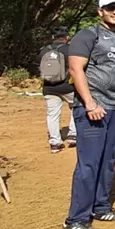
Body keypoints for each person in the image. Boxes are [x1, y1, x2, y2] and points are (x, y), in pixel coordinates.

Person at [62, 0, 115, 229]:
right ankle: (76, 220)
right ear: (100, 11)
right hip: (92, 109)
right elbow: (75, 68)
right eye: (110, 8)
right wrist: (90, 104)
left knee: (109, 162)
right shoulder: (88, 35)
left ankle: (101, 207)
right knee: (89, 164)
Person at [39, 26, 77, 154]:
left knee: (52, 114)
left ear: (52, 37)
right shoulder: (70, 49)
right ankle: (73, 135)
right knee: (76, 107)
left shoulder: (44, 50)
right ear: (67, 37)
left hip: (49, 88)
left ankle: (55, 143)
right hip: (68, 87)